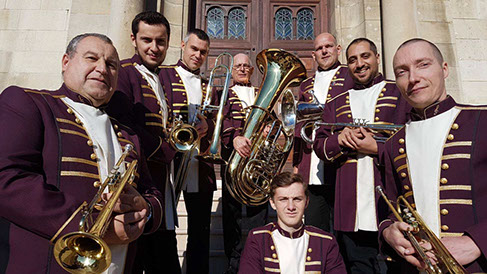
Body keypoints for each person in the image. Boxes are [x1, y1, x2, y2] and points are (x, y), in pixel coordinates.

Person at [0, 33, 164, 274]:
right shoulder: (30, 102)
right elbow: (7, 179)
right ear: (66, 62)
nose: (102, 69)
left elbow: (152, 191)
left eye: (111, 65)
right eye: (91, 58)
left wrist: (145, 210)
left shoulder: (129, 133)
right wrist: (91, 225)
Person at [379, 38, 487, 273]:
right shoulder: (392, 145)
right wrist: (388, 232)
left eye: (423, 64)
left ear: (445, 69)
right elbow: (389, 208)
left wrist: (478, 242)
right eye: (402, 71)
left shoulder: (482, 120)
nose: (413, 78)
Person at [313, 38, 411, 273]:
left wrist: (377, 148)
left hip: (391, 199)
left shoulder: (399, 92)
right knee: (358, 267)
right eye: (353, 60)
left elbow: (417, 138)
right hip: (350, 204)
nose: (359, 64)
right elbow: (320, 145)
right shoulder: (336, 102)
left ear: (377, 58)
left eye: (365, 56)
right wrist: (340, 140)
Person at [106, 11, 180, 273]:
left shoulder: (160, 77)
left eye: (160, 41)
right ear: (133, 39)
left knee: (161, 255)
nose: (154, 47)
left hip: (159, 181)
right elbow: (123, 125)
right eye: (147, 40)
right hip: (138, 182)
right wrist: (166, 149)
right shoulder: (125, 72)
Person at [158, 28, 216, 273]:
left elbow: (215, 122)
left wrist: (208, 126)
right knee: (166, 227)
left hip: (200, 165)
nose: (198, 55)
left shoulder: (208, 85)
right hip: (172, 163)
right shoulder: (164, 75)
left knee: (201, 231)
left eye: (203, 52)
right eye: (194, 49)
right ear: (183, 45)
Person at [293, 32, 354, 233]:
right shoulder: (305, 85)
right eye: (319, 48)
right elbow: (299, 127)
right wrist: (296, 164)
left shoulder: (350, 76)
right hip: (311, 165)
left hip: (341, 164)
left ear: (338, 49)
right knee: (314, 229)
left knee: (343, 232)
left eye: (328, 46)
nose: (324, 51)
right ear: (313, 55)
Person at [239, 172, 346, 273]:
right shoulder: (259, 240)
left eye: (297, 199)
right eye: (283, 199)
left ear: (306, 202)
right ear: (272, 203)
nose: (291, 207)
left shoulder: (325, 242)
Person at [220, 53, 268, 274]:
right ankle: (233, 263)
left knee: (259, 214)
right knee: (232, 216)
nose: (241, 69)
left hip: (259, 164)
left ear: (251, 70)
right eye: (237, 66)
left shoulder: (262, 93)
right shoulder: (223, 95)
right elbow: (218, 123)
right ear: (232, 69)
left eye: (245, 66)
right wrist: (234, 138)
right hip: (232, 162)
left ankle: (257, 261)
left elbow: (272, 119)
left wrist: (268, 130)